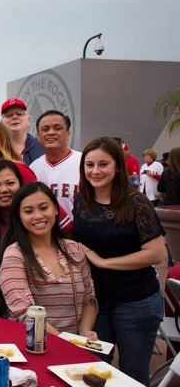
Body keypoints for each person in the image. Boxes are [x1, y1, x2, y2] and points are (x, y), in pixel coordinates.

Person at [73, 137, 166, 385]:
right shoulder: (81, 201)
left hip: (136, 301)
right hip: (97, 303)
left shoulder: (135, 202)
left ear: (117, 167)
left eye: (103, 164)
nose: (95, 171)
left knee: (131, 374)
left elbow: (156, 254)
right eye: (89, 164)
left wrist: (103, 262)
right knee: (93, 371)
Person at [0, 182, 98, 338]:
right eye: (28, 211)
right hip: (32, 347)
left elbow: (89, 300)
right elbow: (24, 313)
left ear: (56, 209)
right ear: (19, 217)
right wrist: (64, 343)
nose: (38, 216)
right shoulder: (14, 255)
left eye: (44, 208)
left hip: (74, 350)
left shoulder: (74, 249)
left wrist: (84, 333)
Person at [30, 110, 81, 221]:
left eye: (57, 128)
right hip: (45, 233)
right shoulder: (34, 167)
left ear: (68, 133)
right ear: (38, 135)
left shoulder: (84, 162)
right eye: (45, 129)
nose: (51, 132)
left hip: (81, 232)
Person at [0, 98, 43, 165]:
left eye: (19, 114)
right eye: (9, 115)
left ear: (28, 120)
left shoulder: (42, 146)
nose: (14, 117)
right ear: (1, 123)